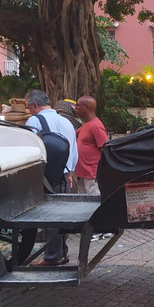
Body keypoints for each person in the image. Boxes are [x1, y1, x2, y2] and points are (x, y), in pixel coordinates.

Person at [25, 89, 78, 266]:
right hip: (65, 176)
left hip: (46, 177)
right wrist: (69, 171)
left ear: (35, 105)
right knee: (61, 216)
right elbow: (73, 152)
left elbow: (29, 150)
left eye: (29, 107)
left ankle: (52, 258)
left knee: (49, 217)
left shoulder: (34, 120)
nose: (29, 111)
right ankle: (61, 254)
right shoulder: (67, 122)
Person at [74, 96, 108, 195]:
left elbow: (105, 148)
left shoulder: (96, 126)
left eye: (78, 105)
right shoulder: (86, 125)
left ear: (87, 107)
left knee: (93, 201)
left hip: (91, 174)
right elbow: (72, 134)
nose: (76, 108)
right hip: (82, 173)